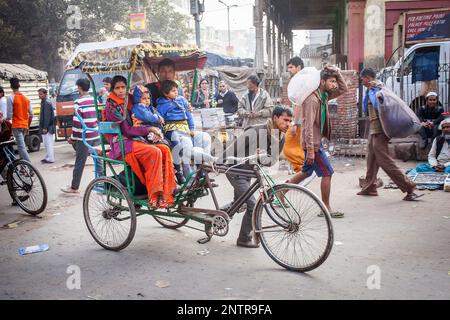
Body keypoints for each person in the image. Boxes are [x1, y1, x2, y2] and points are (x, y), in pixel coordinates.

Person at [220, 106, 293, 248]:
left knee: (239, 203)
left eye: (290, 121)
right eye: (285, 120)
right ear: (275, 118)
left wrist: (262, 156)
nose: (288, 124)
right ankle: (244, 238)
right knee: (253, 205)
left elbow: (272, 161)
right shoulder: (255, 131)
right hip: (235, 170)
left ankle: (215, 217)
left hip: (250, 172)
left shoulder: (280, 137)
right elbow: (230, 151)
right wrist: (218, 165)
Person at [286, 65, 348, 218]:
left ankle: (281, 191)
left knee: (306, 172)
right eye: (331, 81)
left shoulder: (323, 96)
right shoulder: (313, 99)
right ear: (322, 82)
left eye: (334, 82)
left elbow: (343, 89)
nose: (334, 85)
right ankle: (325, 207)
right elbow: (307, 127)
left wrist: (338, 73)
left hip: (315, 142)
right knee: (327, 172)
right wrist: (311, 150)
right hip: (312, 144)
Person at [105, 76, 176, 208]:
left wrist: (153, 131)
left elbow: (147, 115)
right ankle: (154, 195)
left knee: (164, 149)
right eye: (117, 88)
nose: (121, 90)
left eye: (123, 87)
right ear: (112, 89)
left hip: (139, 138)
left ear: (127, 88)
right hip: (123, 141)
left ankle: (167, 191)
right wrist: (149, 129)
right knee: (153, 152)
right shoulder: (111, 105)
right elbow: (126, 130)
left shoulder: (132, 99)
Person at [357, 68, 422, 201]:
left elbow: (378, 106)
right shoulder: (370, 89)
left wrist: (372, 91)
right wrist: (368, 92)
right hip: (374, 129)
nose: (361, 80)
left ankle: (409, 187)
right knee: (371, 158)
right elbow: (365, 109)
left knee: (383, 160)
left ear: (368, 77)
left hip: (382, 129)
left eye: (362, 78)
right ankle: (370, 187)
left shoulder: (379, 89)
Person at [157, 80, 212, 184]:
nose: (176, 92)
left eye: (176, 90)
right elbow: (160, 122)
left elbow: (189, 115)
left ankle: (203, 168)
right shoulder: (161, 105)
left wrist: (192, 129)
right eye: (173, 91)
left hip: (187, 129)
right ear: (165, 93)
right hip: (174, 132)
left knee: (205, 137)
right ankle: (189, 178)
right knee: (186, 143)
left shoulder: (182, 100)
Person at [61, 78, 103, 194]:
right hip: (95, 134)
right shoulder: (95, 100)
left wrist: (73, 138)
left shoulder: (78, 103)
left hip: (84, 137)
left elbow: (77, 123)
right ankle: (104, 183)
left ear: (79, 88)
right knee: (98, 160)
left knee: (80, 162)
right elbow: (99, 117)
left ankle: (74, 187)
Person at [283, 57, 306, 174]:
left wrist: (295, 124)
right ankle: (300, 169)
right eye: (288, 68)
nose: (289, 70)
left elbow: (299, 103)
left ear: (299, 67)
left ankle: (303, 169)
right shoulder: (301, 80)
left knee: (287, 147)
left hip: (300, 120)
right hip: (302, 120)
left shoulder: (300, 81)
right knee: (297, 146)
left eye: (291, 67)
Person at [6, 78, 32, 163]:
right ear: (19, 86)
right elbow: (31, 114)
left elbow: (9, 115)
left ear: (11, 86)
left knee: (21, 147)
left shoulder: (10, 98)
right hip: (24, 125)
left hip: (17, 126)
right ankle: (23, 167)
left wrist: (4, 119)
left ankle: (31, 168)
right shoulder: (26, 98)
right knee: (22, 146)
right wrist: (27, 125)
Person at [38, 88, 55, 164]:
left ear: (45, 94)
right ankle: (48, 157)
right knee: (46, 143)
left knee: (48, 143)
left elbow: (47, 117)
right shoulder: (44, 102)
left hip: (48, 127)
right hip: (46, 127)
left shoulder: (46, 103)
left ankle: (50, 158)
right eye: (39, 94)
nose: (39, 95)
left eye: (41, 94)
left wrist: (45, 127)